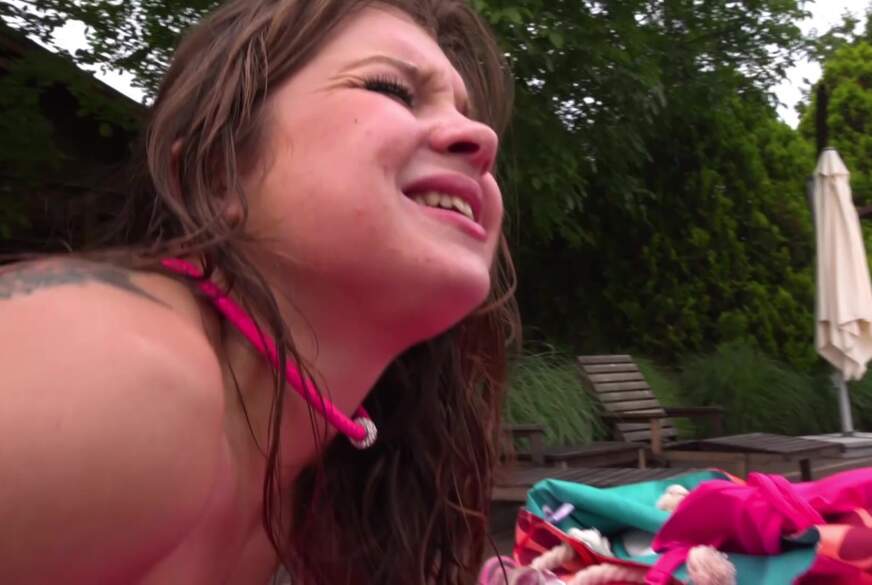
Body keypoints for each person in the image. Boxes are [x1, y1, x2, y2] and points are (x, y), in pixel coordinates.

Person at [0, 0, 519, 584]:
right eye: (391, 90)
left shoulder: (330, 487)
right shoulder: (120, 368)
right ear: (218, 173)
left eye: (466, 112)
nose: (481, 138)